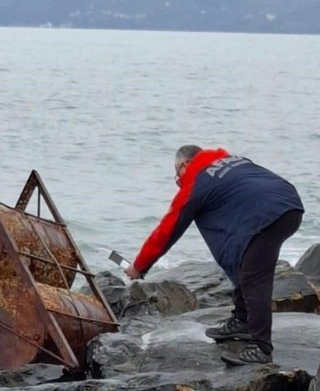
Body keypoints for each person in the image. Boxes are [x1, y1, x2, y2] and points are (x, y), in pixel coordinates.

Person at [124, 145, 304, 365]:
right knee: (244, 259)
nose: (178, 180)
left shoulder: (195, 181)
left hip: (267, 214)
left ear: (184, 165)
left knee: (253, 278)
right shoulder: (233, 160)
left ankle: (261, 347)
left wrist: (139, 267)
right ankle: (243, 320)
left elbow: (168, 230)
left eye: (177, 174)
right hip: (289, 203)